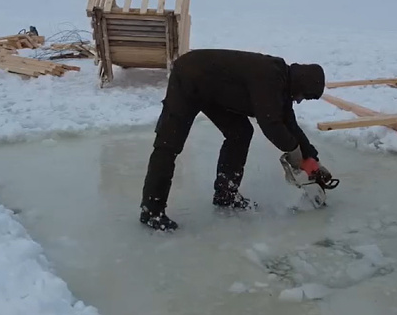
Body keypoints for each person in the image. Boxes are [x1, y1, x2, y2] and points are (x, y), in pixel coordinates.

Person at [139, 49, 331, 231]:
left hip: (212, 91)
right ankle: (152, 211)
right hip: (188, 77)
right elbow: (271, 124)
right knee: (168, 145)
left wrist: (312, 157)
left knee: (240, 132)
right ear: (300, 84)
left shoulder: (282, 84)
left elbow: (290, 125)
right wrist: (296, 156)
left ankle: (226, 194)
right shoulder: (270, 77)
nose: (299, 101)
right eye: (303, 96)